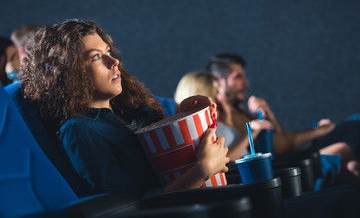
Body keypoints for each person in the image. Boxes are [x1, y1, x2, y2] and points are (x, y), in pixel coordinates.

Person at [19, 19, 230, 198]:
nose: (114, 61)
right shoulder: (78, 131)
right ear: (69, 74)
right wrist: (203, 170)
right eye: (95, 57)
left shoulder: (137, 111)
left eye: (108, 51)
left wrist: (189, 117)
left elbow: (173, 166)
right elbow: (130, 206)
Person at [206, 53, 360, 182]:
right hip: (280, 166)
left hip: (285, 159)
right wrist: (318, 132)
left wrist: (268, 113)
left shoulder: (240, 112)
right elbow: (281, 146)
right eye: (238, 77)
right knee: (350, 135)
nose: (245, 83)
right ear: (218, 81)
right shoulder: (216, 117)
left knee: (352, 145)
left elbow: (280, 136)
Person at [174, 70, 268, 161]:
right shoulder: (206, 130)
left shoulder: (214, 123)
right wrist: (251, 132)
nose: (220, 97)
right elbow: (226, 160)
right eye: (216, 93)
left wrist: (228, 121)